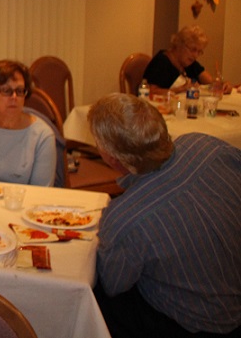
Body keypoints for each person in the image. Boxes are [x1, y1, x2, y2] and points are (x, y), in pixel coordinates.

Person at [87, 93, 241, 338]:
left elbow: (114, 284)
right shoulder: (207, 145)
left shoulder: (125, 218)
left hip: (196, 324)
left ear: (112, 157)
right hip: (233, 293)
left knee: (95, 295)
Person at [0, 60, 56, 186]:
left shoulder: (42, 135)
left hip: (23, 203)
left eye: (20, 91)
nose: (14, 97)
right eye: (7, 90)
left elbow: (42, 192)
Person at [142, 25, 217, 93]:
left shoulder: (190, 62)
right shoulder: (161, 61)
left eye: (199, 52)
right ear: (179, 44)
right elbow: (149, 91)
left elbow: (210, 82)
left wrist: (223, 85)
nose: (195, 55)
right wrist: (180, 89)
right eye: (193, 49)